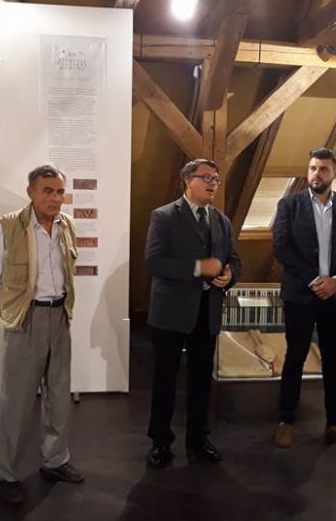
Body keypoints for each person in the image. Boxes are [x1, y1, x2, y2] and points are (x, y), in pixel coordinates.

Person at [0, 164, 82, 504]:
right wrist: (13, 313)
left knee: (59, 395)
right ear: (31, 192)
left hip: (60, 317)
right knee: (17, 401)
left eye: (60, 191)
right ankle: (8, 474)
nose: (55, 198)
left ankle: (55, 461)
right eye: (48, 191)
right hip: (27, 319)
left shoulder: (67, 225)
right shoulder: (9, 226)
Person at [144, 158, 242, 468]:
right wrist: (199, 267)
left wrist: (230, 275)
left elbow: (234, 259)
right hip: (170, 312)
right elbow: (154, 262)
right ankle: (160, 442)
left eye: (216, 179)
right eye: (206, 177)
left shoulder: (222, 221)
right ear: (188, 180)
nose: (213, 183)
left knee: (201, 380)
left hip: (207, 310)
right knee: (165, 380)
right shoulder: (164, 216)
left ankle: (198, 439)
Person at [272, 147, 336, 450]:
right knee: (295, 357)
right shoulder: (289, 204)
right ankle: (286, 421)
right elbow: (282, 247)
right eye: (313, 168)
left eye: (323, 169)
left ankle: (335, 424)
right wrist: (314, 280)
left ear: (333, 173)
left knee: (333, 359)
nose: (317, 174)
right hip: (301, 294)